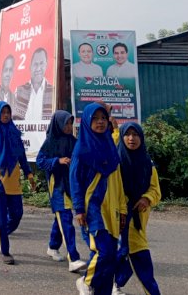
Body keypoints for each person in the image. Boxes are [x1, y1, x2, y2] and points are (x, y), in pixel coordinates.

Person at [70, 102, 126, 295]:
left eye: (103, 118)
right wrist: (78, 209)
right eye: (95, 119)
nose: (100, 122)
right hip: (93, 208)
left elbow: (117, 180)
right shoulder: (81, 150)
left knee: (111, 258)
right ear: (86, 121)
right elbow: (75, 181)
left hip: (113, 208)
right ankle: (86, 281)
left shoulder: (109, 144)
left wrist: (123, 208)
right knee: (105, 251)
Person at [0, 101, 36, 265]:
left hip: (14, 181)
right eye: (3, 113)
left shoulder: (14, 132)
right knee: (1, 219)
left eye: (8, 112)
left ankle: (1, 233)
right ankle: (5, 251)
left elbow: (21, 156)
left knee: (17, 215)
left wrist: (29, 174)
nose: (6, 115)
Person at [36, 110, 87, 273]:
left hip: (72, 185)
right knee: (65, 218)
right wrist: (57, 161)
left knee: (61, 217)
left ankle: (52, 246)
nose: (69, 126)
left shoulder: (74, 141)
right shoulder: (50, 142)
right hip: (57, 185)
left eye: (71, 123)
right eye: (66, 123)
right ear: (58, 124)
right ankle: (73, 257)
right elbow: (40, 161)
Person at [114, 122, 161, 295]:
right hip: (121, 217)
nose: (131, 138)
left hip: (139, 218)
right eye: (127, 134)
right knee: (140, 258)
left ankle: (105, 282)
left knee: (124, 255)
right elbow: (112, 190)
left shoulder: (147, 164)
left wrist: (146, 198)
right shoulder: (116, 163)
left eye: (136, 135)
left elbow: (155, 190)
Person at [13, 47, 55, 120]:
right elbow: (14, 117)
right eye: (35, 64)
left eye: (41, 63)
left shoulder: (53, 91)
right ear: (30, 67)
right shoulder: (19, 91)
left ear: (46, 65)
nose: (38, 68)